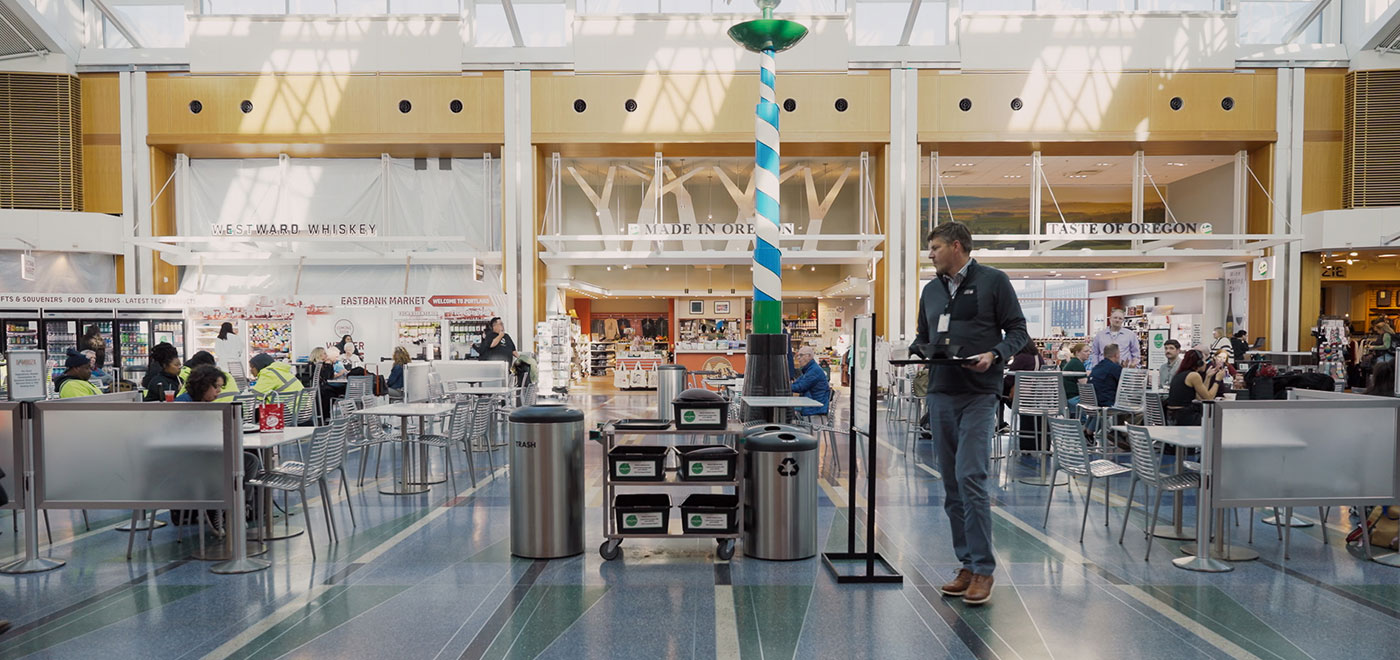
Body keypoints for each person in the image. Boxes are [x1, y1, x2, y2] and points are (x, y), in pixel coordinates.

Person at [911, 221, 1028, 607]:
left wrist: (994, 354)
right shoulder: (930, 290)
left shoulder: (994, 281)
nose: (930, 254)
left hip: (980, 393)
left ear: (956, 246)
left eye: (935, 248)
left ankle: (983, 569)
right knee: (950, 485)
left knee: (971, 476)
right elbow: (922, 334)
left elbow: (1018, 331)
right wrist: (917, 351)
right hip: (941, 392)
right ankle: (966, 562)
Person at [1165, 349, 1228, 426]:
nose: (1205, 363)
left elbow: (1200, 397)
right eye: (1204, 361)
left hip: (1173, 416)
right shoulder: (1194, 375)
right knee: (1217, 422)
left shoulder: (1181, 374)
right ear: (1199, 363)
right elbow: (1209, 398)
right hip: (1185, 416)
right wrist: (1217, 380)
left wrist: (1208, 377)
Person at [790, 345, 831, 416]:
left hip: (815, 407)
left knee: (788, 410)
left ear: (809, 356)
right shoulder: (810, 369)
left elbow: (801, 387)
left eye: (801, 355)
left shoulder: (814, 371)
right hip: (813, 403)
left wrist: (785, 387)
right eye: (798, 356)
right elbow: (799, 382)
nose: (798, 358)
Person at [1089, 343, 1122, 409]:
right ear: (1116, 355)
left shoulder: (1096, 367)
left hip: (1093, 404)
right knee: (1140, 412)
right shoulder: (1115, 368)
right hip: (1109, 404)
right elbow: (1126, 385)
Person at [1062, 342, 1089, 409]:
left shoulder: (1073, 362)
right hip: (1074, 398)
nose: (1088, 353)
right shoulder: (1077, 364)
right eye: (1086, 351)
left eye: (1089, 351)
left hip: (1067, 398)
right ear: (1077, 352)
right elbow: (1085, 385)